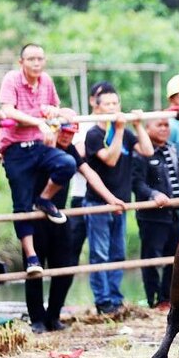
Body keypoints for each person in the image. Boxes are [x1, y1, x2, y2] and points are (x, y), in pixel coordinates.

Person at [26, 109, 127, 332]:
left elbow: (89, 173)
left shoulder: (70, 150)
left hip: (59, 214)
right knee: (35, 268)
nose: (67, 136)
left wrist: (112, 200)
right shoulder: (41, 146)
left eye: (72, 132)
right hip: (34, 213)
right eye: (64, 131)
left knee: (65, 266)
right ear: (55, 128)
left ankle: (53, 315)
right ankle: (37, 319)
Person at [0, 44, 78, 275]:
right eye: (31, 59)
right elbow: (8, 110)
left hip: (40, 146)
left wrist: (54, 112)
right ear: (21, 62)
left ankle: (44, 199)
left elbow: (55, 107)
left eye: (40, 59)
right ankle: (31, 257)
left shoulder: (46, 81)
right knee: (21, 204)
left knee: (66, 163)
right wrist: (38, 121)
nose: (36, 63)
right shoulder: (12, 79)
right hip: (15, 149)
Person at [85, 89, 153, 314]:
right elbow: (111, 160)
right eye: (108, 104)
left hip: (121, 203)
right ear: (97, 107)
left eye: (116, 102)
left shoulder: (123, 131)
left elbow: (147, 150)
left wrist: (138, 125)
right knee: (100, 254)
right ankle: (103, 301)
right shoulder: (94, 134)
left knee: (118, 253)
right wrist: (121, 129)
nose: (113, 107)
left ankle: (115, 298)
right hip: (98, 204)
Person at [132, 117, 179, 309]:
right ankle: (153, 300)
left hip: (175, 213)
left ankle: (167, 298)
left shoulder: (172, 148)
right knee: (152, 258)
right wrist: (153, 194)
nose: (164, 129)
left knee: (175, 256)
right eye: (159, 125)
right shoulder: (141, 151)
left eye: (166, 125)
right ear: (147, 128)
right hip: (152, 216)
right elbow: (136, 183)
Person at [66, 81, 117, 274]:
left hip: (112, 195)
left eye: (113, 101)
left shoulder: (117, 127)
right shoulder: (84, 125)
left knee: (110, 251)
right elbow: (79, 157)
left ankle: (109, 300)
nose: (109, 105)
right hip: (82, 194)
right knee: (72, 250)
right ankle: (60, 302)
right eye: (104, 99)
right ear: (93, 101)